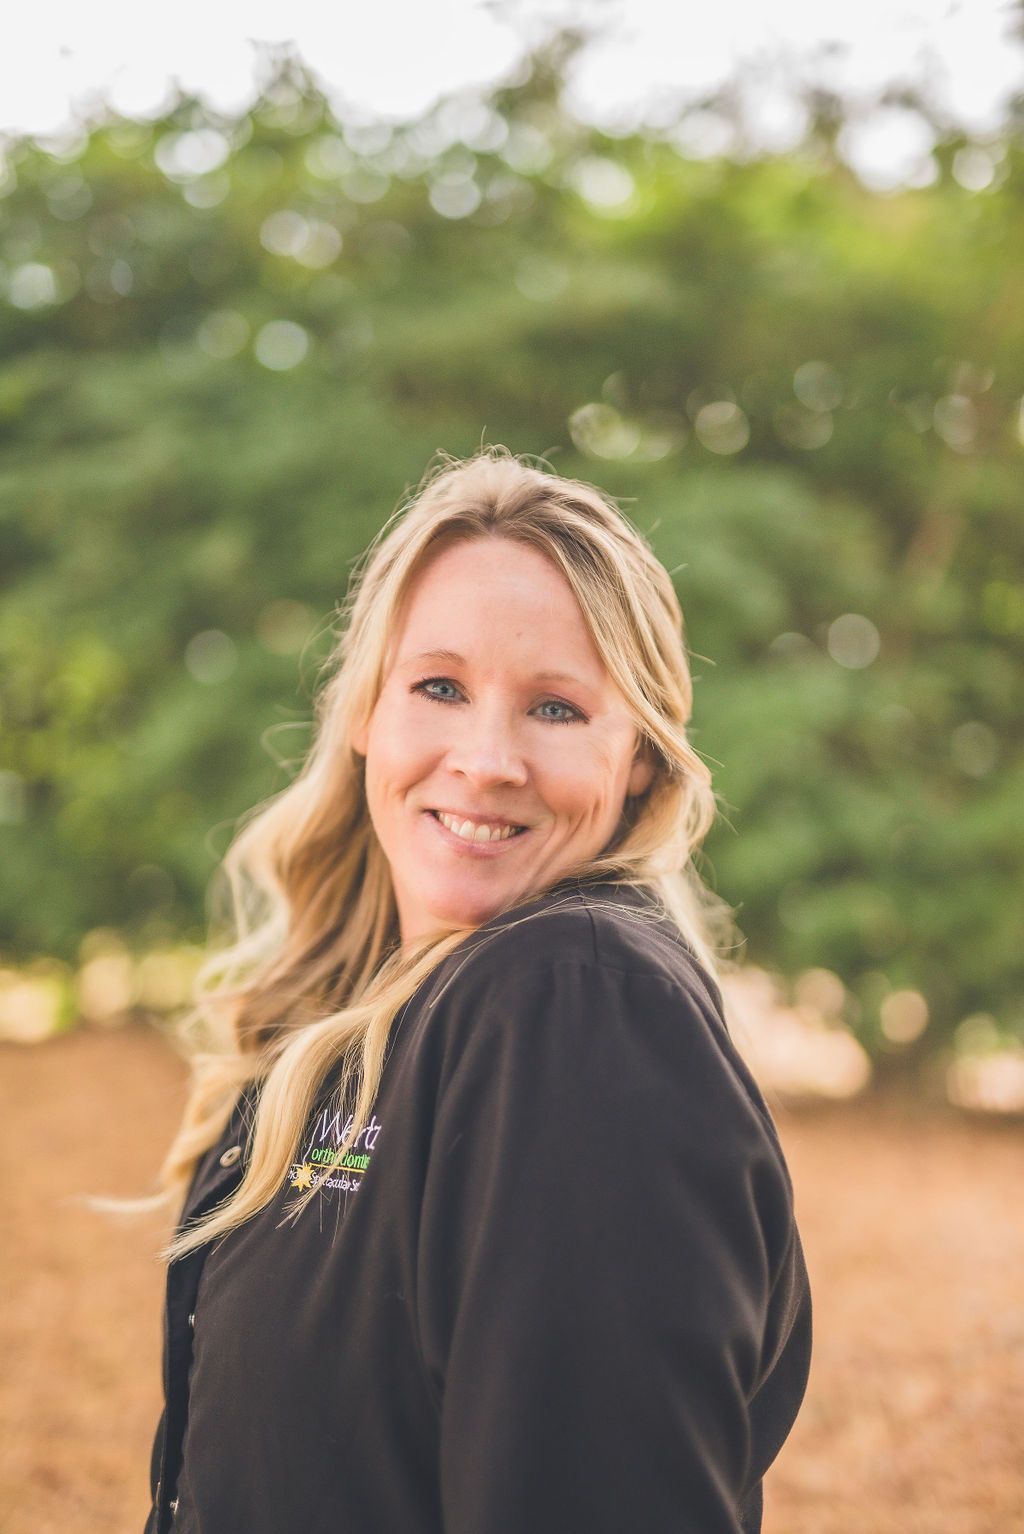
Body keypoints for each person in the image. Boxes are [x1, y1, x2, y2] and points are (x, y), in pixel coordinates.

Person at [135, 446, 812, 1534]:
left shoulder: (577, 1004)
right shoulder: (394, 1017)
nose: (485, 758)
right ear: (366, 712)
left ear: (638, 755)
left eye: (555, 708)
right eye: (439, 686)